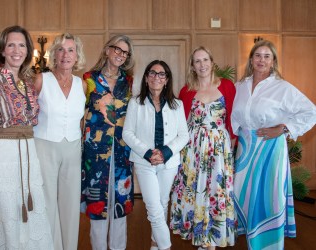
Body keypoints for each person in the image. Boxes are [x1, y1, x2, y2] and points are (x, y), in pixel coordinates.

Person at [0, 25, 53, 249]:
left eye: (22, 45)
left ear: (27, 50)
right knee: (5, 217)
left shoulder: (29, 83)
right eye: (11, 45)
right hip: (0, 157)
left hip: (28, 157)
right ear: (2, 50)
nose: (17, 50)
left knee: (31, 215)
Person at [231, 40, 316, 250]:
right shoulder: (239, 86)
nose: (261, 60)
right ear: (251, 59)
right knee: (244, 196)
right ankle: (251, 240)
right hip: (244, 151)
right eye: (257, 55)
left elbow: (311, 111)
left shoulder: (282, 88)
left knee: (269, 198)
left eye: (267, 56)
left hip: (270, 150)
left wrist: (284, 128)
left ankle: (268, 245)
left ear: (273, 61)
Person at [170, 47, 237, 249]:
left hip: (219, 148)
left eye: (205, 60)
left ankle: (211, 239)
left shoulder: (227, 86)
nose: (202, 65)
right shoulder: (186, 90)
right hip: (194, 149)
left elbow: (233, 119)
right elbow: (182, 123)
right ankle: (200, 236)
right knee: (195, 189)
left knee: (216, 191)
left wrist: (232, 148)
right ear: (192, 65)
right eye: (197, 61)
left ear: (212, 62)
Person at [123, 60, 189, 250]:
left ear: (167, 80)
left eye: (161, 74)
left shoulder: (177, 104)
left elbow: (183, 135)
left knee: (162, 203)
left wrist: (166, 152)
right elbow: (127, 133)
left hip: (168, 163)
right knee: (153, 206)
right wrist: (147, 153)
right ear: (146, 78)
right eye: (152, 73)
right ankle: (166, 246)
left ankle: (155, 244)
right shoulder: (136, 103)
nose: (156, 77)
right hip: (145, 163)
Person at [81, 35, 135, 250]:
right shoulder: (89, 79)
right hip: (95, 151)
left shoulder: (128, 81)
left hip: (122, 150)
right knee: (97, 204)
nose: (120, 55)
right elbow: (80, 112)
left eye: (125, 52)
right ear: (107, 50)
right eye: (117, 49)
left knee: (120, 202)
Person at [33, 33, 86, 250]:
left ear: (77, 56)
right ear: (54, 54)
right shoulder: (40, 80)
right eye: (61, 50)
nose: (65, 55)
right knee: (46, 203)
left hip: (72, 148)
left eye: (70, 50)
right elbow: (26, 114)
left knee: (70, 203)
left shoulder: (81, 84)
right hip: (44, 145)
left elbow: (81, 119)